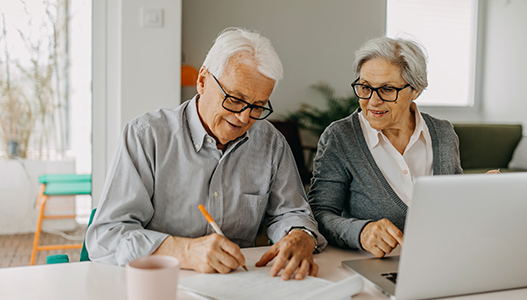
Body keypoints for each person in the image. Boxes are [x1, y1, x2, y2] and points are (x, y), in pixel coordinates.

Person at [86, 28, 326, 281]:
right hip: (158, 283)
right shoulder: (146, 135)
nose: (244, 117)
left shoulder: (271, 142)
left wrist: (301, 236)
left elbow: (292, 213)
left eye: (257, 107)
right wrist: (184, 251)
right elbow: (107, 236)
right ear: (202, 81)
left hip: (239, 284)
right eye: (235, 99)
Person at [307, 36, 462, 258]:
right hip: (373, 265)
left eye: (387, 89)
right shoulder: (340, 137)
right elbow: (319, 214)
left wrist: (479, 195)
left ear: (415, 90)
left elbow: (454, 207)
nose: (372, 101)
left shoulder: (444, 133)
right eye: (364, 87)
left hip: (442, 258)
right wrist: (360, 232)